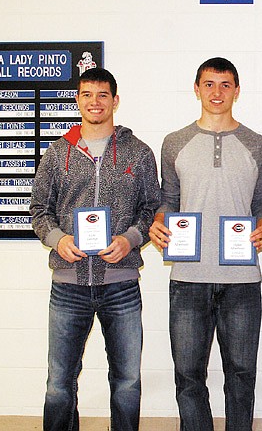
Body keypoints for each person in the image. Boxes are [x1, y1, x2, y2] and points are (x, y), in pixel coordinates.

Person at [30, 67, 161, 431]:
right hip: (69, 287)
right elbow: (39, 209)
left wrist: (130, 239)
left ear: (115, 100)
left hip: (121, 286)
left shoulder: (138, 153)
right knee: (59, 384)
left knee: (127, 381)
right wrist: (59, 239)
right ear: (77, 100)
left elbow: (153, 208)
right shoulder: (58, 153)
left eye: (103, 94)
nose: (95, 101)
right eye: (87, 94)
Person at [149, 57, 262, 431]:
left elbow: (261, 205)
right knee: (188, 376)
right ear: (197, 89)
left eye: (225, 85)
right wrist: (158, 221)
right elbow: (167, 200)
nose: (216, 92)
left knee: (241, 375)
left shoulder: (256, 143)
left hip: (242, 280)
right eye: (209, 84)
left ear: (237, 90)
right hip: (188, 277)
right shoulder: (174, 142)